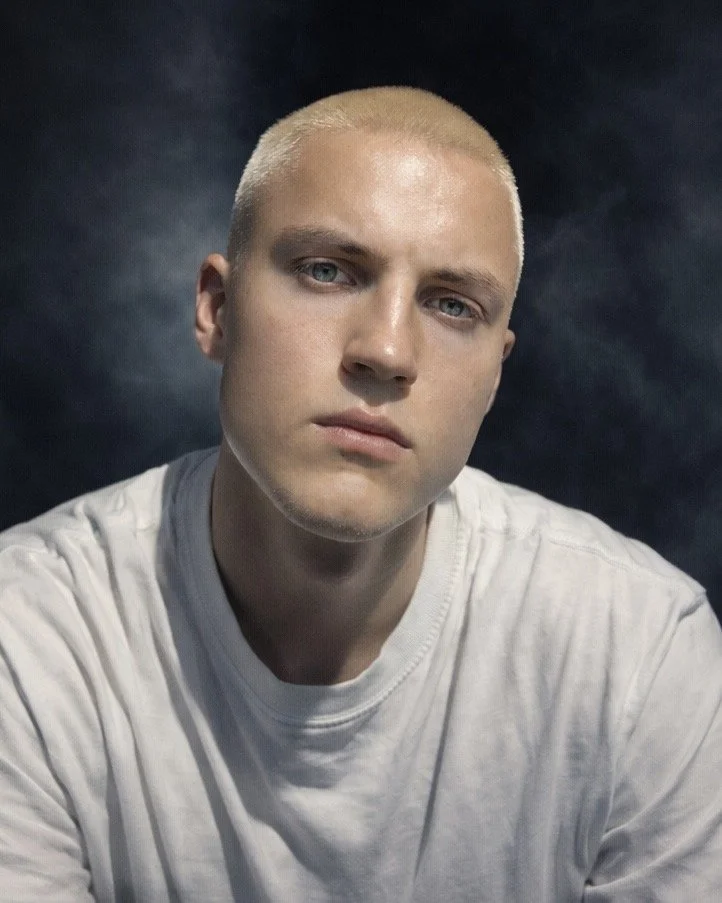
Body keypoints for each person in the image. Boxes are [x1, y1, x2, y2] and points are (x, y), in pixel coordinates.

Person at [0, 86, 720, 902]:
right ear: (217, 309)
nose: (387, 350)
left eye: (452, 304)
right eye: (328, 271)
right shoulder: (28, 637)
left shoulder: (641, 656)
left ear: (495, 374)